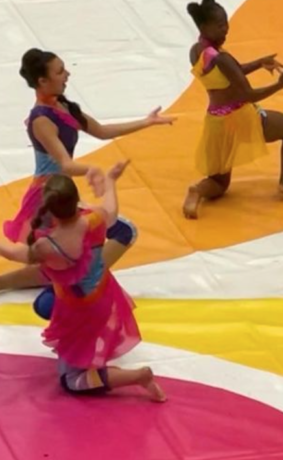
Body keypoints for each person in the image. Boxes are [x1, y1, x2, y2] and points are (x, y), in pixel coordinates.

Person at [1, 48, 174, 316]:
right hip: (48, 195)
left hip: (60, 190)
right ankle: (81, 285)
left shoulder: (63, 106)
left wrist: (147, 122)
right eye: (60, 71)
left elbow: (102, 131)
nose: (67, 74)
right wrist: (93, 169)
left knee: (58, 256)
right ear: (42, 81)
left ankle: (68, 282)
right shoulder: (42, 120)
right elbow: (66, 163)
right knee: (121, 232)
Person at [0, 166, 165, 402]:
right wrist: (110, 180)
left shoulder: (48, 246)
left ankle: (138, 376)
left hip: (80, 309)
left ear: (49, 210)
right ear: (76, 202)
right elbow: (111, 208)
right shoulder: (94, 218)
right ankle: (98, 366)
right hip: (104, 292)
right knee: (70, 341)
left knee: (72, 381)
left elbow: (12, 253)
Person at [182, 0, 283, 219]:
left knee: (219, 184)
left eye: (226, 23)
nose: (226, 29)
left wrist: (258, 63)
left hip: (216, 122)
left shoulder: (197, 51)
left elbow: (227, 76)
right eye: (220, 26)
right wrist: (280, 84)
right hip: (240, 118)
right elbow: (247, 94)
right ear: (205, 26)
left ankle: (197, 191)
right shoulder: (223, 58)